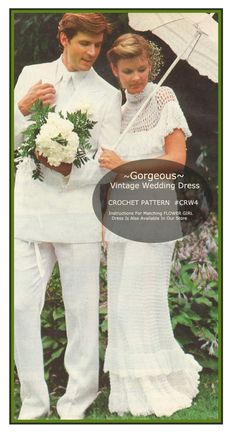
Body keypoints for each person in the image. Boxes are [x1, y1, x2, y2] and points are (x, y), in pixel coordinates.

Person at [14, 13, 121, 420]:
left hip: (78, 215)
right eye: (84, 44)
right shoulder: (31, 75)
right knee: (22, 305)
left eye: (97, 46)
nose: (92, 53)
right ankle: (33, 402)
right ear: (63, 38)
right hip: (28, 213)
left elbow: (108, 160)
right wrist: (20, 110)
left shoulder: (107, 94)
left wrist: (67, 166)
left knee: (81, 311)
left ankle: (76, 401)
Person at [99, 34, 202, 417]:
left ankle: (158, 386)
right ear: (115, 70)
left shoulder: (164, 99)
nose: (137, 78)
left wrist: (123, 167)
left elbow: (175, 160)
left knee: (140, 302)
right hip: (122, 215)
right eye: (128, 71)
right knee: (121, 304)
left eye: (142, 69)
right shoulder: (115, 109)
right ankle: (128, 394)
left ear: (150, 65)